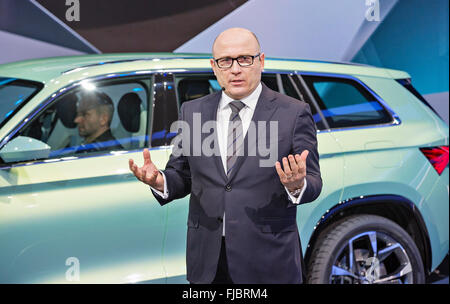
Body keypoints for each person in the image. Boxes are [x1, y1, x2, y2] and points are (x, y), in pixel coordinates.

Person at [129, 28, 322, 284]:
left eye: (245, 59)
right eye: (226, 61)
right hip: (208, 260)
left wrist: (298, 186)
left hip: (268, 260)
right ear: (214, 66)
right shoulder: (192, 112)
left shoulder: (293, 113)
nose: (235, 69)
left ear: (261, 61)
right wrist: (160, 182)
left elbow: (313, 181)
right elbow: (182, 174)